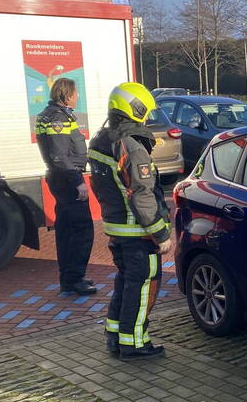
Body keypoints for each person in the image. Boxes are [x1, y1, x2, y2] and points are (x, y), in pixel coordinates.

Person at [87, 83, 171, 360]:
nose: (146, 117)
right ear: (135, 109)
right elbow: (142, 194)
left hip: (116, 227)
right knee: (142, 285)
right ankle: (134, 344)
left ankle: (115, 336)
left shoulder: (102, 139)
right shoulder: (132, 147)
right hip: (138, 231)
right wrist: (161, 234)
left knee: (125, 282)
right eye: (145, 111)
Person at [35, 78, 95, 295]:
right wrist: (78, 182)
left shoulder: (50, 114)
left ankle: (70, 278)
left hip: (62, 179)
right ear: (67, 94)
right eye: (75, 93)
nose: (77, 96)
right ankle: (74, 278)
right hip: (68, 180)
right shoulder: (57, 118)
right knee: (81, 230)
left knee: (67, 230)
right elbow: (59, 156)